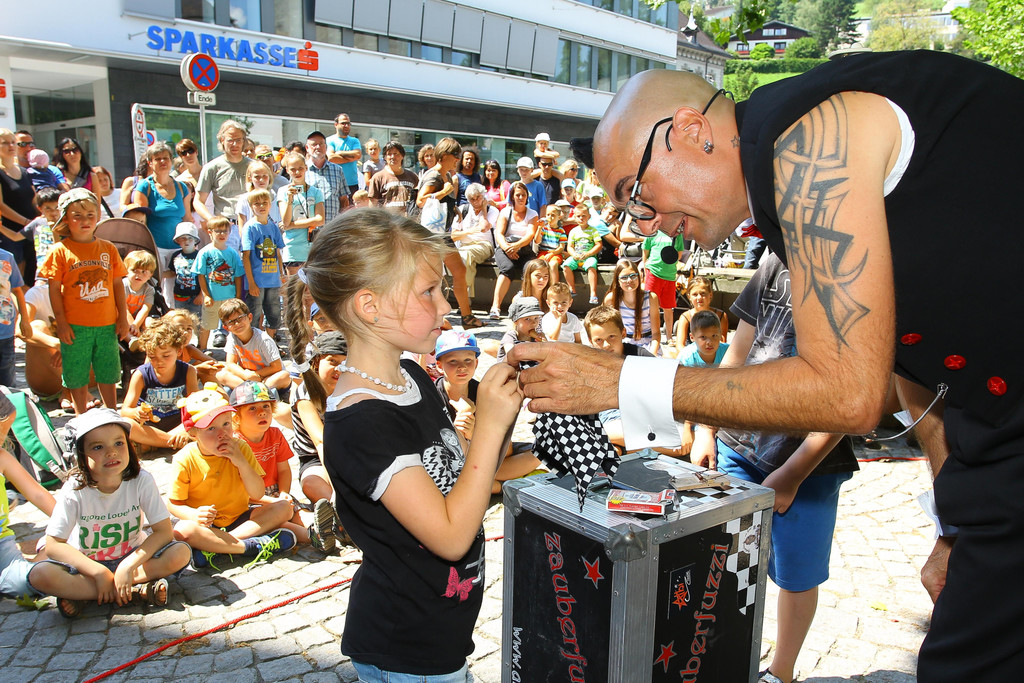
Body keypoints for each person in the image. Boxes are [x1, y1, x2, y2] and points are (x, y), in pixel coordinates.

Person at [508, 55, 1024, 681]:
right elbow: (917, 365)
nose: (645, 227)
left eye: (636, 196)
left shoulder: (809, 138)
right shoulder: (780, 195)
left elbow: (850, 392)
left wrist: (620, 381)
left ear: (690, 130)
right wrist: (957, 523)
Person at [281, 207, 521, 679]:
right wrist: (491, 425)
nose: (445, 306)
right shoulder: (362, 421)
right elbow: (451, 537)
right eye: (429, 291)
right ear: (369, 306)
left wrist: (513, 421)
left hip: (440, 635)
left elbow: (465, 480)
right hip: (405, 650)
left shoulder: (412, 375)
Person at [689, 252, 858, 683]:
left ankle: (781, 672)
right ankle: (721, 658)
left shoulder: (858, 270)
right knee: (726, 562)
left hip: (812, 464)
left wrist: (794, 473)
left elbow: (854, 393)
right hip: (738, 446)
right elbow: (736, 355)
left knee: (797, 574)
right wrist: (707, 428)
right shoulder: (773, 261)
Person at [45, 408, 192, 617]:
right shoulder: (74, 489)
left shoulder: (141, 480)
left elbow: (164, 532)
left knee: (180, 553)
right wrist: (98, 572)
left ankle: (89, 594)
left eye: (118, 443)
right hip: (88, 565)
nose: (111, 452)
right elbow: (53, 545)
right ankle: (136, 591)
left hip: (134, 558)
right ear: (81, 455)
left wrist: (127, 567)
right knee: (41, 575)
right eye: (98, 447)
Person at [166, 383, 296, 570]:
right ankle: (249, 546)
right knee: (182, 530)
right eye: (211, 429)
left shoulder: (240, 447)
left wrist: (241, 462)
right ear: (193, 433)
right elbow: (173, 503)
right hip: (207, 525)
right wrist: (193, 514)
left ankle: (217, 547)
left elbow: (257, 493)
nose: (222, 434)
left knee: (284, 508)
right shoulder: (184, 459)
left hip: (241, 518)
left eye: (226, 424)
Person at [39, 188, 129, 414]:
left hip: (107, 324)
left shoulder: (108, 248)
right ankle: (81, 417)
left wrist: (123, 318)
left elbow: (117, 284)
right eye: (77, 216)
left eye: (90, 215)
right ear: (65, 219)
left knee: (108, 372)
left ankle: (111, 413)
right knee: (76, 373)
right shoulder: (59, 251)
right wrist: (61, 323)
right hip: (75, 326)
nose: (85, 221)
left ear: (97, 216)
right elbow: (54, 290)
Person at [433, 329, 541, 494]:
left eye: (468, 360)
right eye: (453, 361)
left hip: (487, 460)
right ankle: (500, 487)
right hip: (452, 463)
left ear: (476, 363)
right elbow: (437, 452)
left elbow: (506, 450)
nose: (462, 367)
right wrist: (460, 431)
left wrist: (474, 434)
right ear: (440, 366)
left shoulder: (485, 393)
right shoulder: (432, 397)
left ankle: (496, 484)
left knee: (540, 454)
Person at [229, 380, 331, 548]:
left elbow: (284, 470)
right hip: (250, 501)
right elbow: (239, 489)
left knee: (299, 512)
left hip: (276, 494)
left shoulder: (275, 435)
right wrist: (271, 501)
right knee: (278, 520)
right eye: (252, 408)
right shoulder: (235, 445)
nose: (262, 412)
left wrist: (284, 493)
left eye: (266, 406)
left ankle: (324, 526)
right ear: (236, 417)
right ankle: (314, 535)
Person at [282, 329, 349, 550]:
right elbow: (321, 442)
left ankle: (347, 520)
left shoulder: (352, 389)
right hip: (316, 459)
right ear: (316, 362)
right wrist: (338, 488)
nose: (339, 369)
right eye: (332, 361)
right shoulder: (306, 394)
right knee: (312, 483)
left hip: (352, 454)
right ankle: (340, 519)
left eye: (345, 363)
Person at [416, 137, 483, 330]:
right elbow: (421, 201)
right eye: (456, 155)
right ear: (444, 155)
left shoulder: (445, 175)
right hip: (430, 236)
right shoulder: (434, 176)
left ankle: (466, 316)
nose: (458, 159)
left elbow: (439, 203)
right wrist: (443, 192)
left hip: (441, 235)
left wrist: (454, 210)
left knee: (459, 271)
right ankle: (432, 318)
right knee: (432, 278)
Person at [133, 142, 194, 308]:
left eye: (165, 158)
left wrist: (191, 244)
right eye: (157, 159)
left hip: (178, 246)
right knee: (155, 285)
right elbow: (140, 219)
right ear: (150, 163)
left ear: (171, 160)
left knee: (178, 287)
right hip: (155, 246)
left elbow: (187, 217)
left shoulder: (181, 187)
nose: (162, 162)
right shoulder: (145, 186)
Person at [120, 320, 197, 450]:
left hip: (179, 422)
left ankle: (154, 444)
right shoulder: (141, 375)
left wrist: (184, 428)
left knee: (204, 415)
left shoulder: (188, 371)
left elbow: (196, 405)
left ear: (178, 351)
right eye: (152, 357)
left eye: (166, 356)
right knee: (128, 424)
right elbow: (125, 410)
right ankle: (173, 442)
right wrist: (136, 412)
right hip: (150, 425)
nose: (159, 362)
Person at [489, 181, 539, 319]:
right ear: (512, 196)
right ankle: (495, 307)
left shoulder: (532, 213)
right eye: (518, 195)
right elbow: (499, 233)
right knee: (507, 269)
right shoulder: (505, 212)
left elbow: (530, 235)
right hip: (506, 246)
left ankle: (526, 307)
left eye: (523, 195)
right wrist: (507, 248)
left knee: (530, 269)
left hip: (523, 248)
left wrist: (516, 246)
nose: (521, 198)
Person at [217, 298, 290, 392]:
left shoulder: (263, 339)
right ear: (226, 327)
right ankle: (255, 391)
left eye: (240, 318)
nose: (237, 324)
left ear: (250, 317)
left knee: (285, 376)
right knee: (220, 374)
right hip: (246, 377)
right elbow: (230, 363)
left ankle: (250, 390)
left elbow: (276, 367)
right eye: (231, 322)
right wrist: (245, 375)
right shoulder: (232, 337)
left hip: (266, 377)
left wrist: (255, 375)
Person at [192, 216, 243, 350]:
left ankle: (237, 350)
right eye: (218, 231)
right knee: (207, 325)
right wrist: (206, 295)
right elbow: (201, 275)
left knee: (234, 324)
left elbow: (238, 276)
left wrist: (238, 296)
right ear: (210, 232)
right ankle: (202, 350)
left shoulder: (233, 253)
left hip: (229, 297)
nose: (222, 234)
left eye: (225, 231)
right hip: (212, 298)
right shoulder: (205, 252)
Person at [193, 120, 252, 235]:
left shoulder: (254, 166)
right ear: (222, 140)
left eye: (238, 140)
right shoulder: (211, 168)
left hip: (251, 225)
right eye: (230, 140)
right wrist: (211, 220)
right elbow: (198, 201)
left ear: (244, 141)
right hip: (226, 228)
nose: (235, 144)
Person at [240, 188, 284, 339]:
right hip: (257, 282)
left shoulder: (273, 226)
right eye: (257, 203)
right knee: (254, 314)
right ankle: (253, 345)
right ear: (251, 206)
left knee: (274, 315)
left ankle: (270, 344)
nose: (261, 206)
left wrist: (281, 275)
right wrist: (251, 283)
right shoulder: (250, 227)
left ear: (270, 205)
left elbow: (278, 253)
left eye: (264, 203)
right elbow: (246, 256)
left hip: (273, 280)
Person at [278, 151, 326, 276]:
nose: (297, 172)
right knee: (294, 286)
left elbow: (320, 220)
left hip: (312, 248)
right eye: (293, 169)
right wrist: (290, 200)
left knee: (310, 286)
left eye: (300, 168)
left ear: (306, 168)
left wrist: (292, 225)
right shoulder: (283, 191)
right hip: (293, 247)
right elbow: (285, 221)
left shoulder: (316, 192)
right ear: (287, 170)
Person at [0, 129, 39, 278]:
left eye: (13, 142)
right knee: (14, 278)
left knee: (32, 275)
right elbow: (1, 206)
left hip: (30, 232)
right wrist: (26, 222)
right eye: (5, 143)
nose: (11, 146)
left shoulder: (24, 172)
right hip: (9, 233)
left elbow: (34, 199)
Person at [604, 258, 661, 355]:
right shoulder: (611, 299)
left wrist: (652, 355)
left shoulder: (651, 298)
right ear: (617, 281)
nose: (629, 280)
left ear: (639, 277)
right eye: (624, 278)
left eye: (633, 276)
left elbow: (656, 333)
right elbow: (607, 330)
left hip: (648, 344)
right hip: (623, 344)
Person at [449, 183, 497, 300]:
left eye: (478, 197)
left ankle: (463, 293)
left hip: (484, 245)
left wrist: (484, 210)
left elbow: (484, 227)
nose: (475, 201)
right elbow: (453, 236)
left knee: (465, 255)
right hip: (464, 246)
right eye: (472, 199)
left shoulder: (492, 211)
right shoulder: (462, 210)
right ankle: (466, 295)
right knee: (463, 255)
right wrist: (470, 231)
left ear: (483, 196)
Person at [642, 228, 686, 343]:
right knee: (650, 305)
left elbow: (679, 254)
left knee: (668, 307)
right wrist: (645, 269)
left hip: (669, 276)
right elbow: (645, 251)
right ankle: (650, 333)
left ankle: (669, 337)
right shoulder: (652, 231)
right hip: (653, 272)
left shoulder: (677, 234)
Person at [0, 242, 31, 386]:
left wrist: (24, 319)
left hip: (5, 331)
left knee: (7, 379)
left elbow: (17, 290)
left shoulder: (7, 257)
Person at [676, 275, 728, 355]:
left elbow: (722, 342)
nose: (699, 297)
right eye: (695, 294)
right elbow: (679, 346)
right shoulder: (685, 317)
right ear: (689, 296)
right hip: (692, 355)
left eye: (703, 294)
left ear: (710, 295)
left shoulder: (720, 316)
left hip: (712, 354)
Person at [561, 205, 603, 304]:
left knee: (591, 266)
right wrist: (573, 254)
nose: (581, 218)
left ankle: (593, 293)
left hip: (589, 256)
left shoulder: (593, 230)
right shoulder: (573, 231)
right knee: (566, 266)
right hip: (576, 257)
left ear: (589, 216)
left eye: (584, 216)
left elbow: (599, 245)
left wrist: (589, 253)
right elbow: (570, 246)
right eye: (578, 216)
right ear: (574, 217)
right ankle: (572, 289)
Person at [367, 141, 419, 215]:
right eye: (389, 154)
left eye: (396, 154)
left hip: (408, 220)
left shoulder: (412, 177)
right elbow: (372, 205)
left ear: (402, 156)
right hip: (388, 220)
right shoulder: (378, 178)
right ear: (385, 157)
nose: (392, 157)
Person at [306, 130, 348, 223]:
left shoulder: (337, 170)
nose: (318, 147)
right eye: (314, 144)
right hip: (308, 228)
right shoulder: (302, 171)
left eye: (321, 144)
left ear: (326, 147)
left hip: (332, 227)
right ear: (307, 148)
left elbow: (344, 200)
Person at [167, 222, 203, 317]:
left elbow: (204, 276)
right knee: (180, 318)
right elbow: (172, 273)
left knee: (196, 320)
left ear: (195, 240)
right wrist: (157, 274)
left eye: (190, 238)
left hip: (196, 295)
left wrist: (201, 295)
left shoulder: (200, 256)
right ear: (178, 240)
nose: (186, 241)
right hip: (179, 295)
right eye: (183, 238)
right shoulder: (176, 255)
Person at [235, 160, 283, 228]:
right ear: (250, 178)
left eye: (264, 176)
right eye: (257, 177)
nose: (261, 180)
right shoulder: (244, 199)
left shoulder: (276, 197)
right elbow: (242, 228)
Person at [497, 295, 544, 362]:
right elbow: (512, 354)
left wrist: (545, 344)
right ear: (516, 321)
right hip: (510, 367)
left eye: (536, 318)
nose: (534, 323)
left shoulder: (537, 337)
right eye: (527, 319)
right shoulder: (511, 336)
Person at [325, 113, 362, 195]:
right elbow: (331, 158)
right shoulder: (329, 140)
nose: (346, 126)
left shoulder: (355, 141)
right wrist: (351, 158)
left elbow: (358, 155)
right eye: (343, 123)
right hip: (335, 183)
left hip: (352, 184)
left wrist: (340, 153)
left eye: (348, 123)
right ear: (336, 125)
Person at [122, 250, 157, 336]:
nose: (139, 275)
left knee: (150, 322)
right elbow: (124, 309)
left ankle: (149, 338)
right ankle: (133, 339)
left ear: (150, 275)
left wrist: (136, 325)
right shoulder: (122, 285)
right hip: (123, 317)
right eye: (134, 270)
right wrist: (133, 326)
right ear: (125, 271)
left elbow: (145, 309)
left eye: (144, 272)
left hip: (139, 319)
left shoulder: (149, 290)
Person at [533, 204, 567, 283]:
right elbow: (537, 241)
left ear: (559, 217)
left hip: (556, 253)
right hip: (543, 252)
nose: (550, 217)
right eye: (548, 215)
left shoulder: (561, 231)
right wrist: (539, 228)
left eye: (553, 215)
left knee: (553, 264)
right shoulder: (544, 228)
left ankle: (554, 285)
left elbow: (561, 247)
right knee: (540, 265)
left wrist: (553, 253)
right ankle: (541, 283)